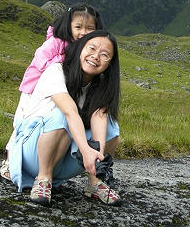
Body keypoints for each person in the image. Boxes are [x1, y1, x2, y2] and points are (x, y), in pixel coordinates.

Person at [8, 30, 122, 206]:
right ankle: (43, 179)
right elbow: (70, 112)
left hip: (62, 163)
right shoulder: (56, 71)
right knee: (61, 115)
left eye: (104, 55)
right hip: (33, 156)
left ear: (110, 63)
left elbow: (99, 117)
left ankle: (95, 183)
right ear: (80, 48)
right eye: (91, 48)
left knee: (112, 127)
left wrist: (96, 161)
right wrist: (85, 149)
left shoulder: (101, 85)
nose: (96, 56)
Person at [0, 3, 104, 181]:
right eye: (78, 27)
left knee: (63, 119)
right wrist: (61, 62)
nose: (84, 32)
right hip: (34, 90)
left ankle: (56, 163)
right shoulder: (56, 42)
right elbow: (41, 59)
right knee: (20, 122)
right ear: (68, 26)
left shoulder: (87, 50)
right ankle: (10, 162)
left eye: (90, 28)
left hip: (60, 90)